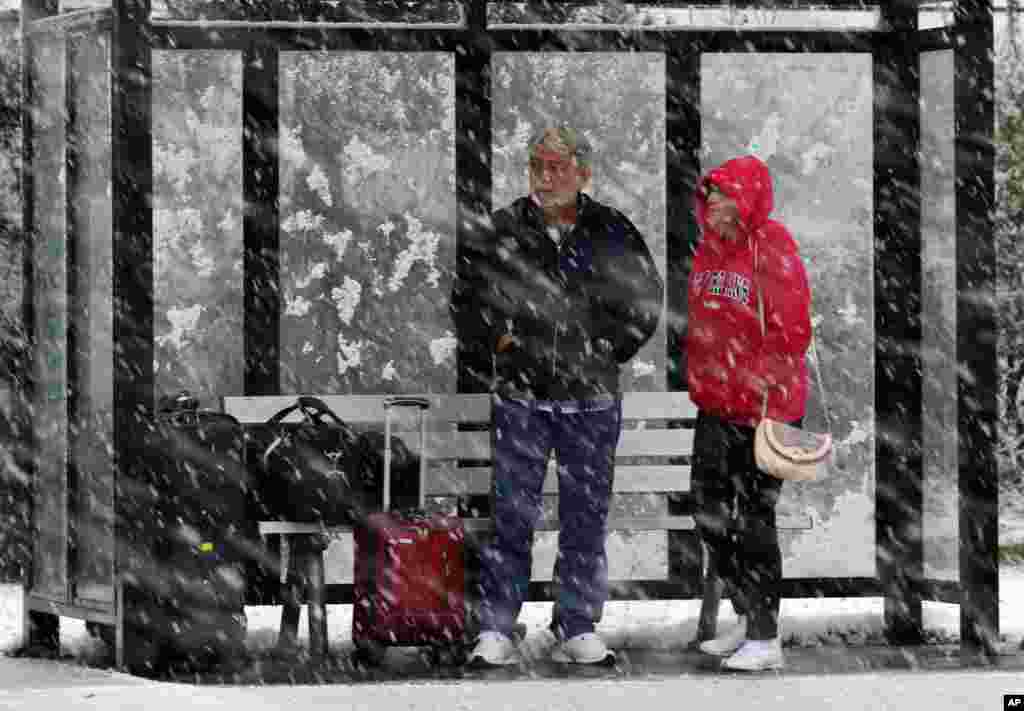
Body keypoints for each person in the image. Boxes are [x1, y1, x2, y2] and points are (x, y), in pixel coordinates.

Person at [453, 127, 663, 667]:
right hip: (520, 399)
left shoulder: (612, 231)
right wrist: (498, 341)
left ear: (583, 173)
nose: (545, 178)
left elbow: (645, 301)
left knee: (585, 518)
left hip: (591, 401)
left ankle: (577, 624)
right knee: (510, 516)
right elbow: (466, 298)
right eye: (536, 167)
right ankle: (498, 626)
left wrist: (604, 349)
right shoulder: (502, 229)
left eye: (556, 167)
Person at [685, 155, 812, 672]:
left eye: (721, 192)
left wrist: (759, 373)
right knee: (709, 513)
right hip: (716, 406)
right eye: (708, 193)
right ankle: (746, 615)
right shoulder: (708, 252)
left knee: (755, 520)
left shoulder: (773, 246)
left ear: (746, 197)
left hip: (763, 411)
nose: (711, 201)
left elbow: (795, 328)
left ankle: (765, 634)